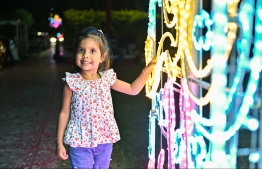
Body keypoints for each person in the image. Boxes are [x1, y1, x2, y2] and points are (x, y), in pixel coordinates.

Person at [56, 26, 156, 169]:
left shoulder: (107, 79)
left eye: (92, 51)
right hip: (79, 140)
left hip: (104, 139)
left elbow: (133, 89)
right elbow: (64, 112)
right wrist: (59, 143)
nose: (86, 55)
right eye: (81, 50)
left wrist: (146, 71)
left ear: (102, 57)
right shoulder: (72, 82)